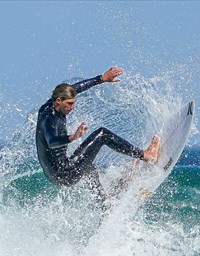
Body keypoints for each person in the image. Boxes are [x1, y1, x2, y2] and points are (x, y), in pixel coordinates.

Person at [35, 66, 159, 204]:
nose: (72, 107)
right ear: (59, 101)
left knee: (88, 167)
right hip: (65, 173)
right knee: (102, 134)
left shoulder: (49, 105)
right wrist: (73, 137)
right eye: (69, 104)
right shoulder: (49, 120)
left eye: (73, 103)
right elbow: (51, 141)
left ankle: (103, 203)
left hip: (55, 175)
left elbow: (76, 88)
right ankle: (146, 155)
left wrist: (101, 78)